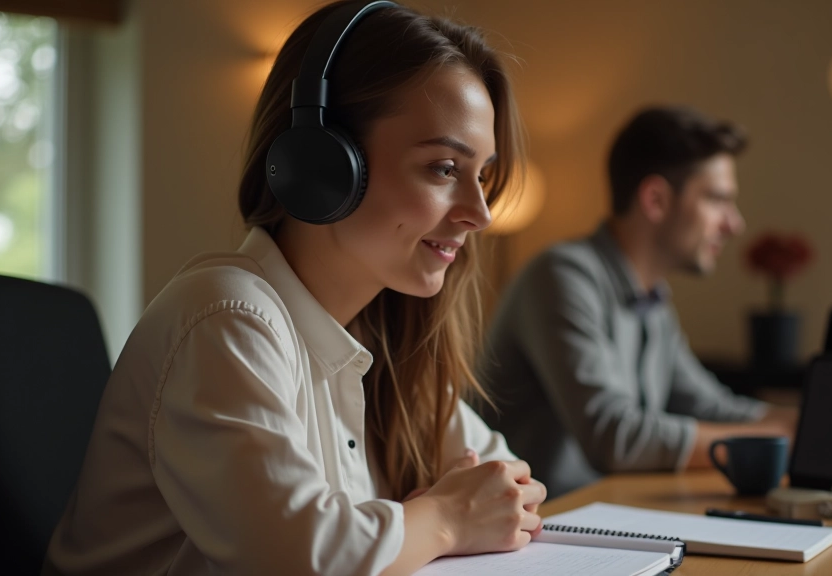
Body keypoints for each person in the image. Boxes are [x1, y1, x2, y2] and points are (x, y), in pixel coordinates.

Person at [43, 2, 546, 575]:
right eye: (443, 168)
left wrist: (454, 512)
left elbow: (509, 486)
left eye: (481, 175)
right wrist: (446, 518)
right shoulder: (225, 319)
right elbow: (305, 559)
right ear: (325, 164)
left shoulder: (382, 338)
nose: (479, 214)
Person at [477, 106, 832, 498]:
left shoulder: (652, 297)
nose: (735, 223)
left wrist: (816, 418)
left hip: (598, 512)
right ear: (656, 200)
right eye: (718, 199)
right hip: (542, 528)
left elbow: (709, 405)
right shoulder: (562, 275)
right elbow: (614, 436)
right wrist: (791, 434)